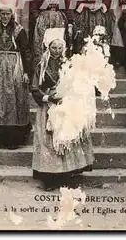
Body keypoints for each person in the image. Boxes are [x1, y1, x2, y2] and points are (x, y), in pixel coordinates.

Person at [31, 28, 94, 190]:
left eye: (60, 48)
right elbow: (35, 87)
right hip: (48, 106)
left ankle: (67, 175)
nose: (57, 51)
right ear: (48, 48)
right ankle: (50, 179)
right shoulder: (42, 66)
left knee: (67, 139)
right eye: (54, 48)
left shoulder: (68, 63)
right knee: (49, 141)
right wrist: (48, 97)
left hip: (66, 105)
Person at [0, 0, 32, 149]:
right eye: (2, 13)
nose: (5, 16)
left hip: (15, 67)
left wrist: (26, 72)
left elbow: (26, 51)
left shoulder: (18, 30)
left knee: (13, 99)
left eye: (8, 14)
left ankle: (13, 140)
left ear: (12, 14)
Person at [31, 0, 74, 71]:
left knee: (57, 46)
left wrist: (69, 23)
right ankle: (41, 75)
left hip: (58, 20)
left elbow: (68, 7)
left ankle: (57, 73)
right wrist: (37, 18)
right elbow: (34, 6)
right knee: (41, 46)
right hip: (43, 21)